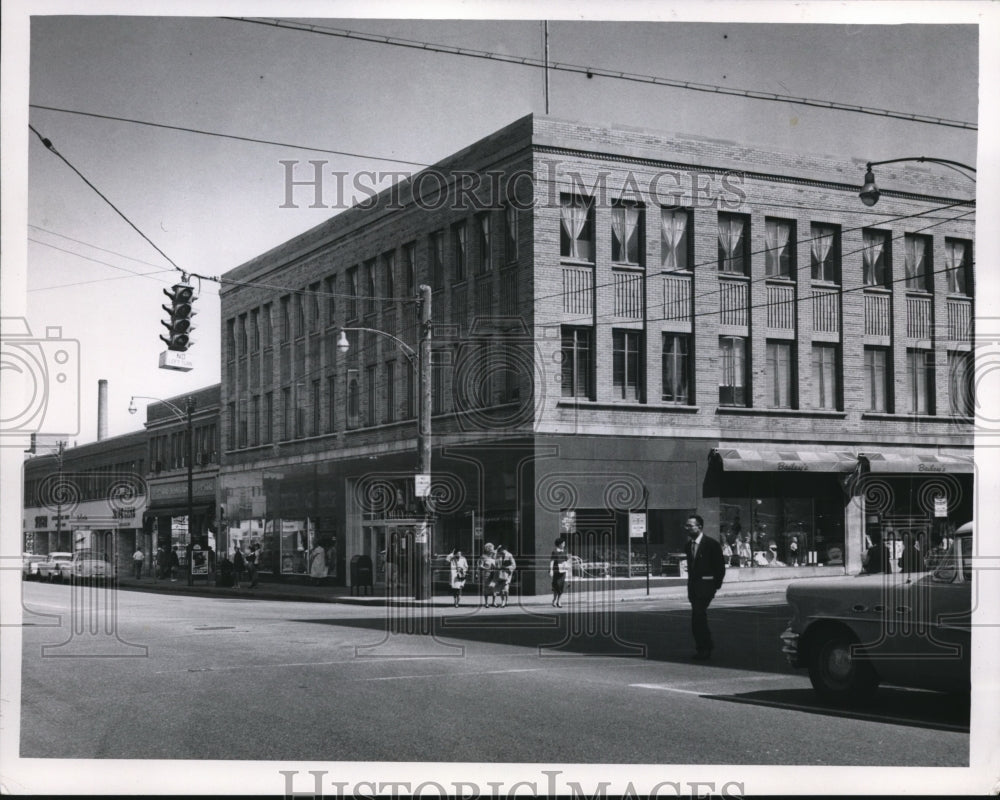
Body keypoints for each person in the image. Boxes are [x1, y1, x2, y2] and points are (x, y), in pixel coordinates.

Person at [683, 514, 726, 660]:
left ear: (699, 527)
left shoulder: (711, 544)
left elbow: (719, 567)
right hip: (694, 588)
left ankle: (705, 647)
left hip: (706, 586)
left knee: (698, 616)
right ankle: (703, 646)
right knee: (697, 617)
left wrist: (715, 585)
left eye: (690, 525)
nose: (687, 528)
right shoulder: (688, 546)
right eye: (686, 526)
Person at [549, 537, 570, 607]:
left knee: (562, 586)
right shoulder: (554, 552)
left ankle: (559, 601)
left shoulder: (565, 551)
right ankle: (554, 599)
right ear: (559, 544)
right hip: (556, 571)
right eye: (563, 543)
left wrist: (568, 561)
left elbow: (566, 560)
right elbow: (552, 561)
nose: (564, 544)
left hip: (563, 571)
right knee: (556, 586)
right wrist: (551, 570)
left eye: (564, 543)